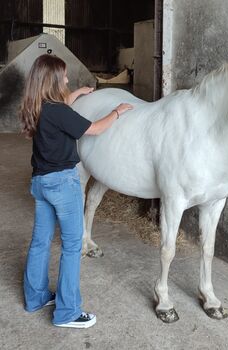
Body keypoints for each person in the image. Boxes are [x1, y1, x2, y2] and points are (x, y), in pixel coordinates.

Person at [20, 54, 133, 329]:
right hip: (62, 184)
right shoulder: (59, 112)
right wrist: (117, 111)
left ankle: (34, 297)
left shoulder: (38, 106)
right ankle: (68, 312)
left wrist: (79, 92)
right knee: (72, 247)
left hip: (41, 184)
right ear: (54, 80)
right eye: (65, 77)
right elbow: (93, 129)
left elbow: (61, 111)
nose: (68, 80)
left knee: (40, 242)